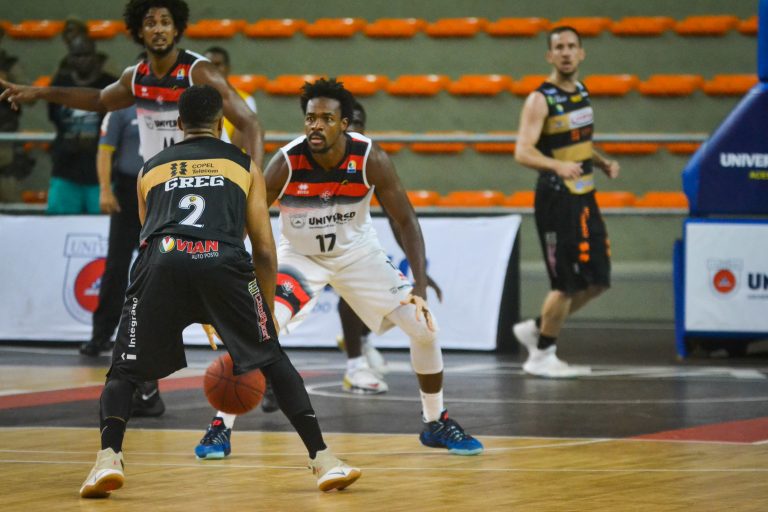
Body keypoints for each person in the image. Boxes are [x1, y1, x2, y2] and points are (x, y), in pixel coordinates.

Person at [78, 85, 360, 499]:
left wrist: (188, 294)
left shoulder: (149, 168)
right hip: (223, 263)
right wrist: (262, 311)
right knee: (272, 359)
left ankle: (107, 459)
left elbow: (147, 235)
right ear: (220, 124)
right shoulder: (243, 165)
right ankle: (323, 459)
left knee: (124, 371)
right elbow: (264, 249)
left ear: (179, 124)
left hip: (161, 261)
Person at [195, 78, 483, 459]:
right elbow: (246, 220)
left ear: (344, 123)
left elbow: (405, 220)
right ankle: (221, 426)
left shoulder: (370, 158)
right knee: (260, 328)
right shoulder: (286, 162)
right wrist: (226, 277)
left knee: (424, 327)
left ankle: (435, 422)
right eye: (310, 118)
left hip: (357, 255)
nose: (315, 125)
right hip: (300, 258)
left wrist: (420, 286)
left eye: (326, 119)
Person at [0, 0, 265, 406]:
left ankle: (264, 368)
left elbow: (249, 122)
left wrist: (252, 184)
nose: (158, 28)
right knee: (149, 292)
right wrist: (40, 92)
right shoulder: (136, 76)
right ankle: (148, 388)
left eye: (165, 22)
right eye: (150, 22)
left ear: (177, 29)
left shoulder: (197, 72)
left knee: (224, 284)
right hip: (164, 191)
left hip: (208, 185)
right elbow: (99, 100)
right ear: (139, 31)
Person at [512, 26, 620, 378]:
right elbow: (522, 151)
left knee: (597, 279)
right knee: (565, 283)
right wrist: (557, 166)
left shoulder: (582, 92)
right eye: (559, 47)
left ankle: (536, 328)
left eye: (572, 46)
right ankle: (542, 355)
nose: (566, 52)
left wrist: (601, 162)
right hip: (556, 199)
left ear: (582, 53)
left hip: (585, 195)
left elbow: (579, 143)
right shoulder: (540, 98)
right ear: (550, 55)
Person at [336, 100, 443, 395]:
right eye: (350, 123)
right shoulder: (311, 155)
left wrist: (420, 274)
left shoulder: (368, 159)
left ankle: (357, 353)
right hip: (305, 242)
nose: (355, 129)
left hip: (347, 244)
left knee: (386, 295)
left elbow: (399, 220)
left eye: (359, 124)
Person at [47, 36, 116, 214]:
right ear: (70, 58)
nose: (82, 60)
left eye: (87, 55)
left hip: (101, 174)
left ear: (96, 56)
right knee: (59, 225)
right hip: (65, 170)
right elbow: (54, 118)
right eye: (77, 55)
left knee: (104, 226)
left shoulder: (110, 85)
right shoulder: (59, 84)